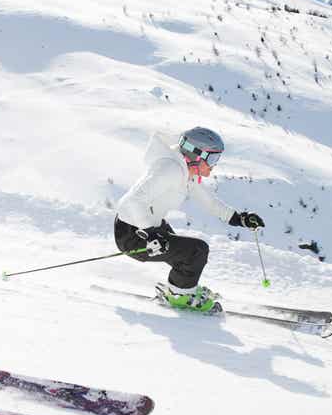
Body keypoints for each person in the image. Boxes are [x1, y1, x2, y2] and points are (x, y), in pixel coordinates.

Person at [113, 126, 264, 312]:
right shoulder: (170, 169)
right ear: (196, 154)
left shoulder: (185, 171)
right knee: (196, 251)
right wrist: (151, 234)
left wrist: (240, 219)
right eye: (213, 158)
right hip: (132, 234)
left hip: (148, 226)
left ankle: (182, 288)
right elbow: (130, 202)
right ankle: (179, 295)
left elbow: (209, 202)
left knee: (185, 255)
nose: (215, 164)